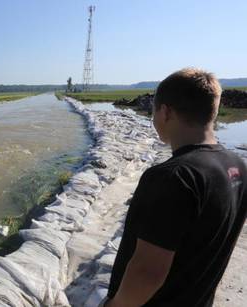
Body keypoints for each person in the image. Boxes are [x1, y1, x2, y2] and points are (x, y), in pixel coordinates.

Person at [104, 68, 247, 307]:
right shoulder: (237, 166)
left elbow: (147, 273)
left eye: (154, 112)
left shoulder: (173, 177)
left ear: (165, 112)